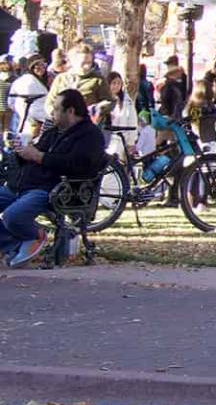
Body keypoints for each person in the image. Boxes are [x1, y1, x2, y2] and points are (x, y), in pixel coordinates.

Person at [2, 88, 107, 266]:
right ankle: (13, 244)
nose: (52, 112)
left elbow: (77, 165)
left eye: (57, 109)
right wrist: (22, 153)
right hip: (24, 184)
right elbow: (36, 152)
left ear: (71, 111)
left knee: (12, 217)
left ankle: (34, 236)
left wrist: (39, 157)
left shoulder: (90, 135)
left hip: (54, 189)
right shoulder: (54, 131)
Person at [48, 44, 109, 113]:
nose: (87, 66)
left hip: (87, 121)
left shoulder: (98, 80)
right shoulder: (61, 79)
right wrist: (56, 114)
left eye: (89, 63)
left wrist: (97, 109)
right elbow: (49, 103)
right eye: (83, 63)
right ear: (72, 61)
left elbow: (109, 101)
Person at [103, 71, 141, 164]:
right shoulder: (104, 101)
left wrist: (131, 142)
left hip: (122, 141)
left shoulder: (127, 101)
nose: (116, 86)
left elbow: (132, 121)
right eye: (113, 83)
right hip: (107, 140)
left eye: (119, 83)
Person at [157, 56, 188, 122]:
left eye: (169, 64)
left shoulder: (172, 84)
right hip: (175, 117)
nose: (168, 67)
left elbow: (166, 100)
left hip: (171, 117)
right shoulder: (182, 81)